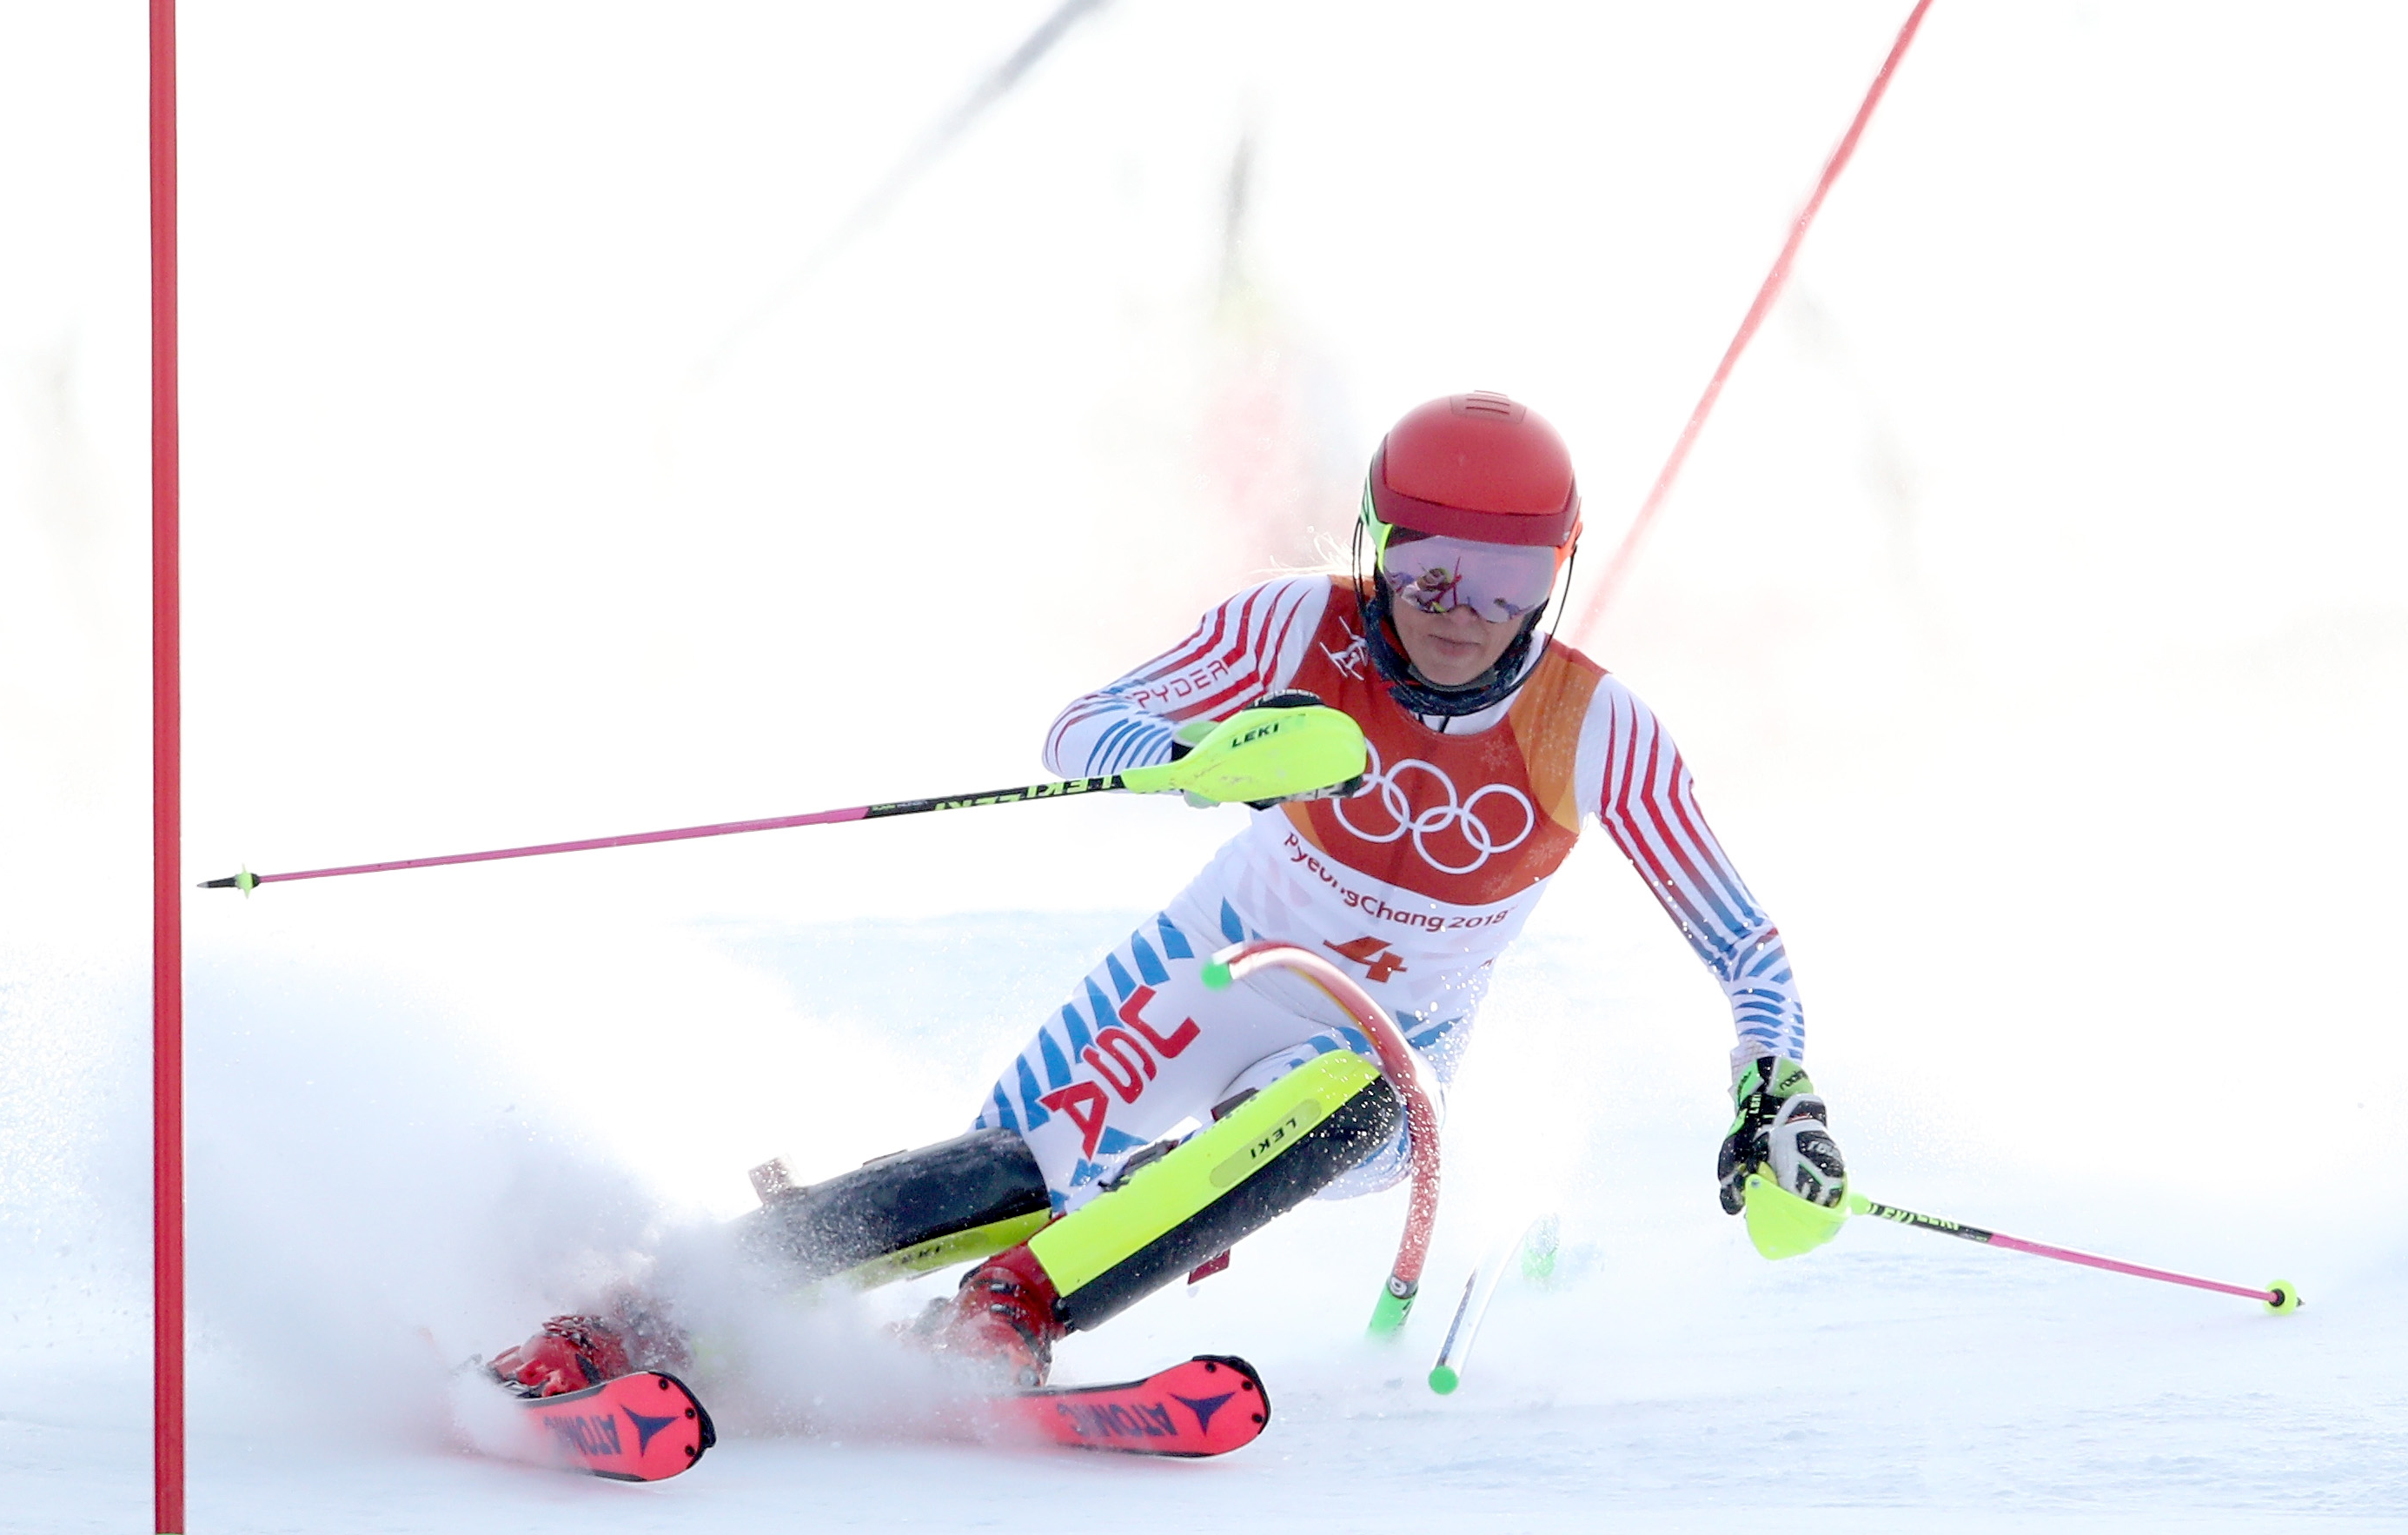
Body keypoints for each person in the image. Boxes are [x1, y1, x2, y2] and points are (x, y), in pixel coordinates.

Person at [490, 390, 1845, 1399]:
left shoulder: (1594, 727)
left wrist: (1775, 1091)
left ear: (1558, 577)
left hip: (1390, 1053)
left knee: (1340, 1092)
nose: (1459, 609)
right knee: (1023, 1172)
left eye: (1508, 581)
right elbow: (1084, 729)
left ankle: (1002, 1324)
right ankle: (633, 1319)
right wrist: (1202, 760)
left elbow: (1745, 941)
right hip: (1204, 971)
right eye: (1429, 564)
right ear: (1373, 542)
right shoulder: (1292, 629)